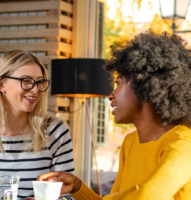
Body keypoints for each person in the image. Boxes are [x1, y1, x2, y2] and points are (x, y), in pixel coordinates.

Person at [38, 31, 191, 200]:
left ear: (146, 86)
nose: (111, 95)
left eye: (118, 83)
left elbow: (145, 196)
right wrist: (76, 186)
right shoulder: (130, 143)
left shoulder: (184, 144)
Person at [0, 50, 75, 199]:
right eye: (26, 81)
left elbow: (68, 195)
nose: (35, 89)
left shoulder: (55, 131)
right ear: (2, 84)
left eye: (40, 82)